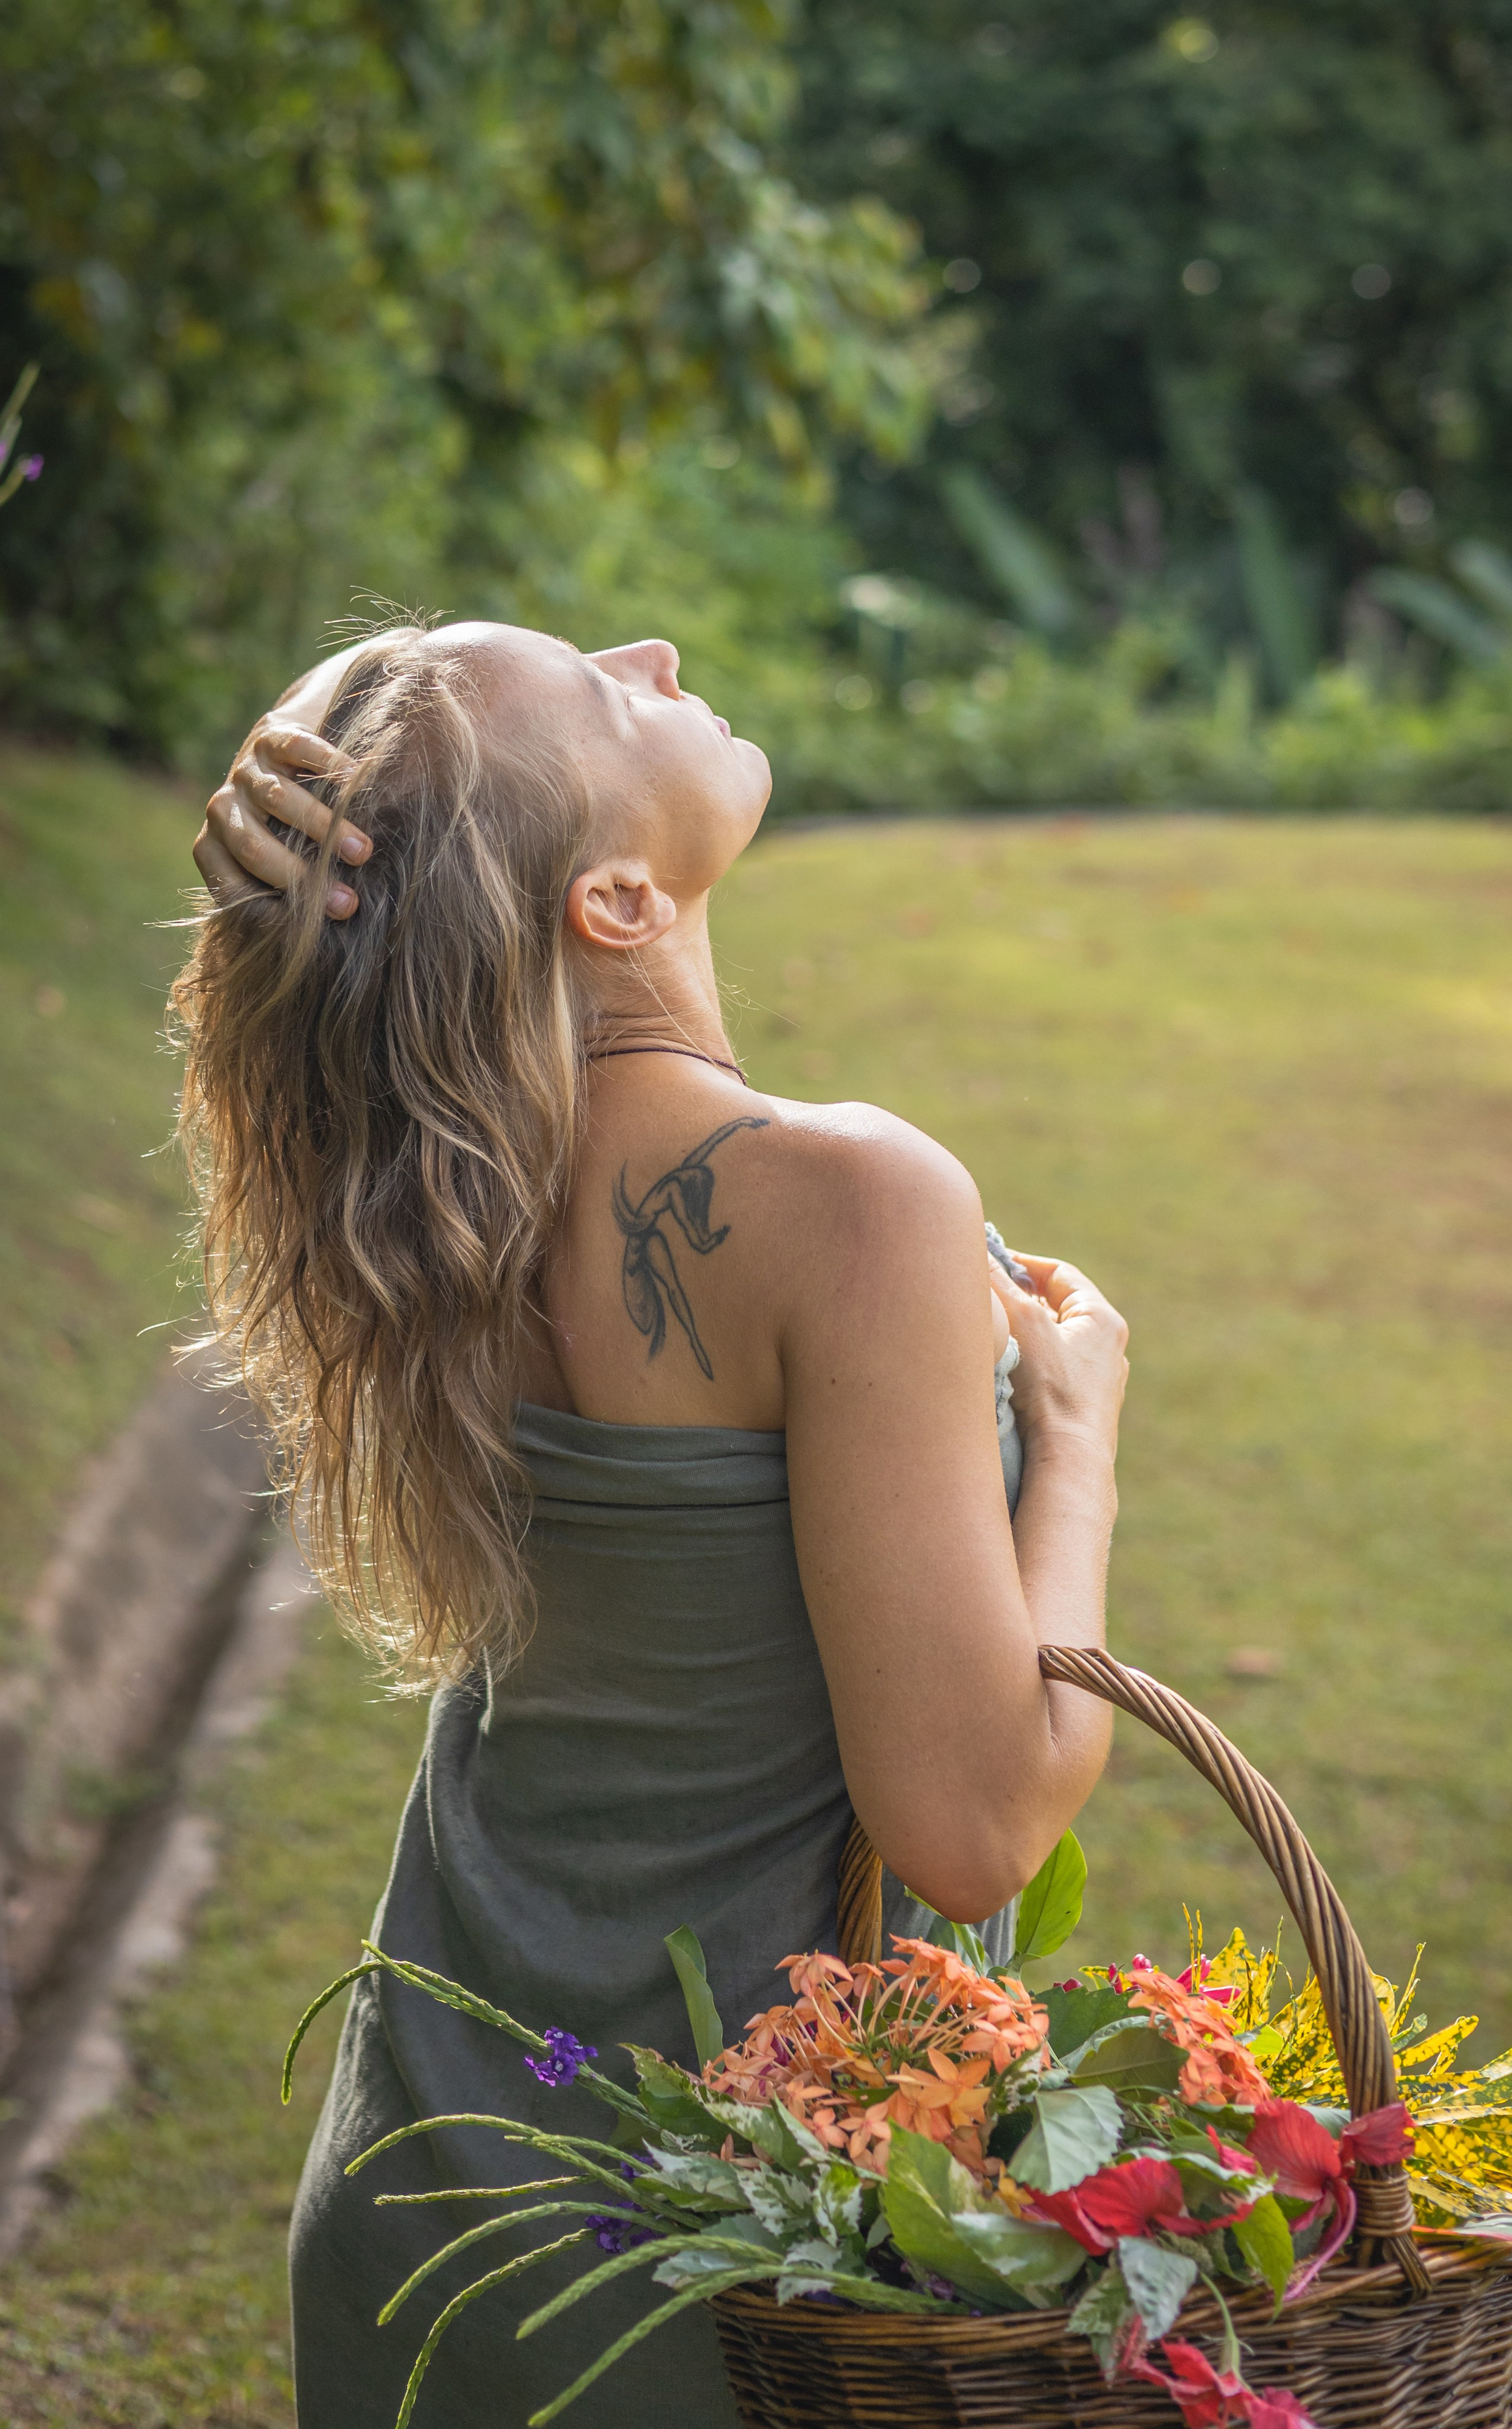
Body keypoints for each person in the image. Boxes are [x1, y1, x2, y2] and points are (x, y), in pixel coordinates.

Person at [184, 623, 1129, 2428]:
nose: (661, 647)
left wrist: (305, 845)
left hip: (429, 2180)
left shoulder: (431, 1188)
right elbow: (977, 1822)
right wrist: (1077, 1439)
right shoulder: (849, 1197)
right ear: (613, 901)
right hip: (720, 2248)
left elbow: (374, 957)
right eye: (610, 690)